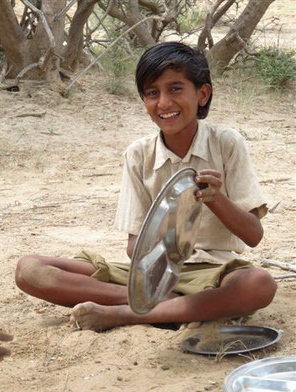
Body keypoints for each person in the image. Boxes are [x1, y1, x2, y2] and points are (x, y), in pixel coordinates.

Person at [15, 42, 277, 331]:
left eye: (175, 89)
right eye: (152, 93)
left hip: (214, 271)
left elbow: (253, 235)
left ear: (203, 94)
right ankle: (171, 305)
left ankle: (124, 314)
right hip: (153, 274)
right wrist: (166, 243)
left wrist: (216, 200)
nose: (163, 103)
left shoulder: (226, 143)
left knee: (259, 284)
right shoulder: (138, 154)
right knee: (30, 270)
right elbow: (133, 247)